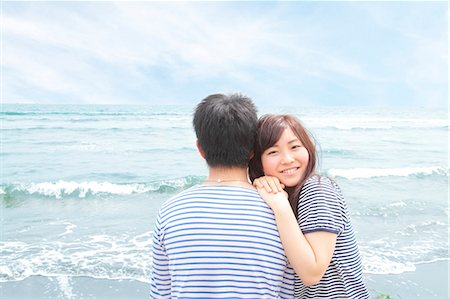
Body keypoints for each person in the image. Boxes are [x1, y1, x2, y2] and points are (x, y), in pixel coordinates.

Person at [150, 94, 295, 298]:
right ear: (253, 150)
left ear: (200, 149)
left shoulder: (170, 211)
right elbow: (287, 292)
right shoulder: (280, 212)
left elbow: (161, 293)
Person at [249, 114, 369, 299]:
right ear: (259, 162)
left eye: (295, 147)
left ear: (308, 148)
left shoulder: (317, 189)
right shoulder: (283, 195)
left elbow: (312, 273)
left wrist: (280, 205)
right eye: (273, 152)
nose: (288, 159)